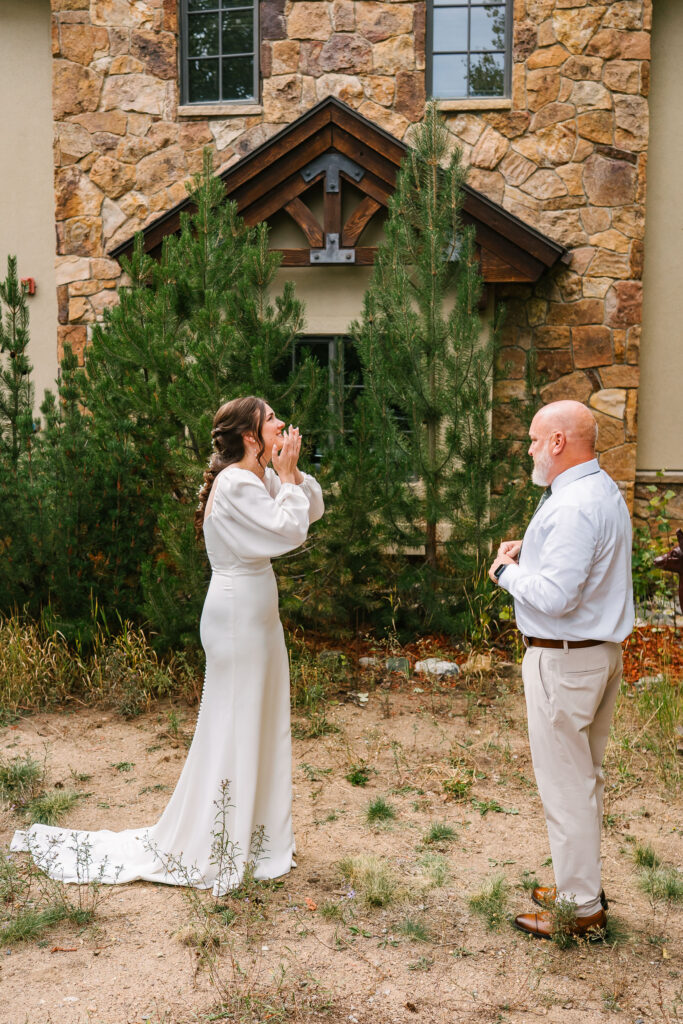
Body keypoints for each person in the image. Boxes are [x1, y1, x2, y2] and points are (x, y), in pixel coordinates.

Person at [12, 396, 324, 894]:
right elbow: (288, 532)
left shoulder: (258, 477)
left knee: (259, 721)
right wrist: (286, 479)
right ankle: (221, 842)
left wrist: (292, 474)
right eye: (271, 419)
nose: (282, 423)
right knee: (235, 725)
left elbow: (310, 511)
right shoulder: (236, 483)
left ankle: (253, 838)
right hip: (237, 620)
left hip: (259, 619)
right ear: (250, 436)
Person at [489, 399, 633, 939]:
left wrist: (505, 572)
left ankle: (581, 907)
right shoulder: (600, 489)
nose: (529, 449)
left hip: (565, 661)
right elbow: (584, 562)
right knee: (584, 779)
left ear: (557, 442)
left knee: (566, 786)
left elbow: (557, 596)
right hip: (597, 656)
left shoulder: (573, 505)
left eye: (534, 439)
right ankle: (581, 884)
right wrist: (533, 548)